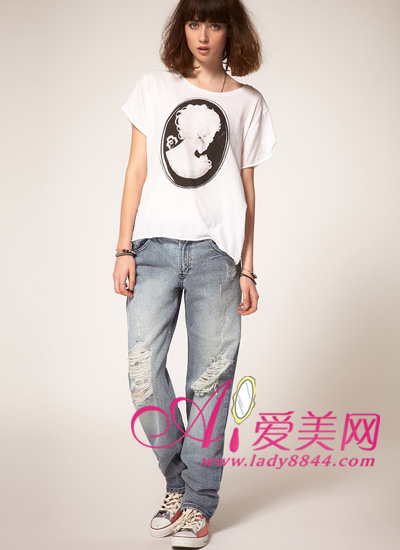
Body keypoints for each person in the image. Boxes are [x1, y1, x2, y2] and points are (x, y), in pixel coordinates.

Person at [113, 0, 277, 547]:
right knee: (142, 373)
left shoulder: (248, 103)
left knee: (209, 384)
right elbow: (136, 171)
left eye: (215, 23)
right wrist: (123, 248)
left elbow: (247, 193)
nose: (203, 35)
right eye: (193, 22)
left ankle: (199, 504)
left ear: (232, 31)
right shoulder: (153, 88)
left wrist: (248, 269)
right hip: (153, 250)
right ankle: (179, 483)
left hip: (216, 258)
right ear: (181, 28)